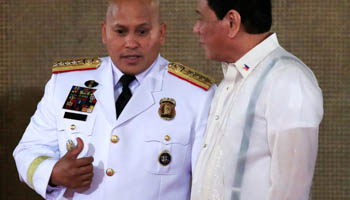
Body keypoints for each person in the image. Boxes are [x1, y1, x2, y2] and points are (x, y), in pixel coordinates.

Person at [13, 0, 215, 199]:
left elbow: (209, 184)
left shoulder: (196, 95)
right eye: (120, 31)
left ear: (161, 33)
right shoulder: (68, 83)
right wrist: (53, 173)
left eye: (142, 32)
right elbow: (28, 150)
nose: (131, 43)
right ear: (104, 32)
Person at [191, 0, 323, 200]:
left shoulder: (287, 79)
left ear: (232, 22)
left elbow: (292, 192)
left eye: (201, 18)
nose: (196, 29)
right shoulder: (232, 79)